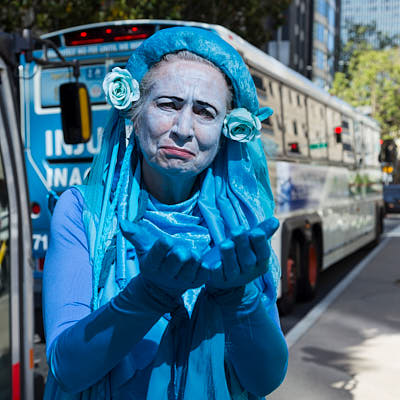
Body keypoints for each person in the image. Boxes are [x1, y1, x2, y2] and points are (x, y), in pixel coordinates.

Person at [42, 26, 288, 400]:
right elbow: (67, 368)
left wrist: (239, 298)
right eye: (168, 104)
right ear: (135, 114)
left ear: (225, 131)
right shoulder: (81, 211)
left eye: (205, 112)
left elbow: (265, 379)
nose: (184, 129)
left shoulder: (239, 226)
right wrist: (146, 296)